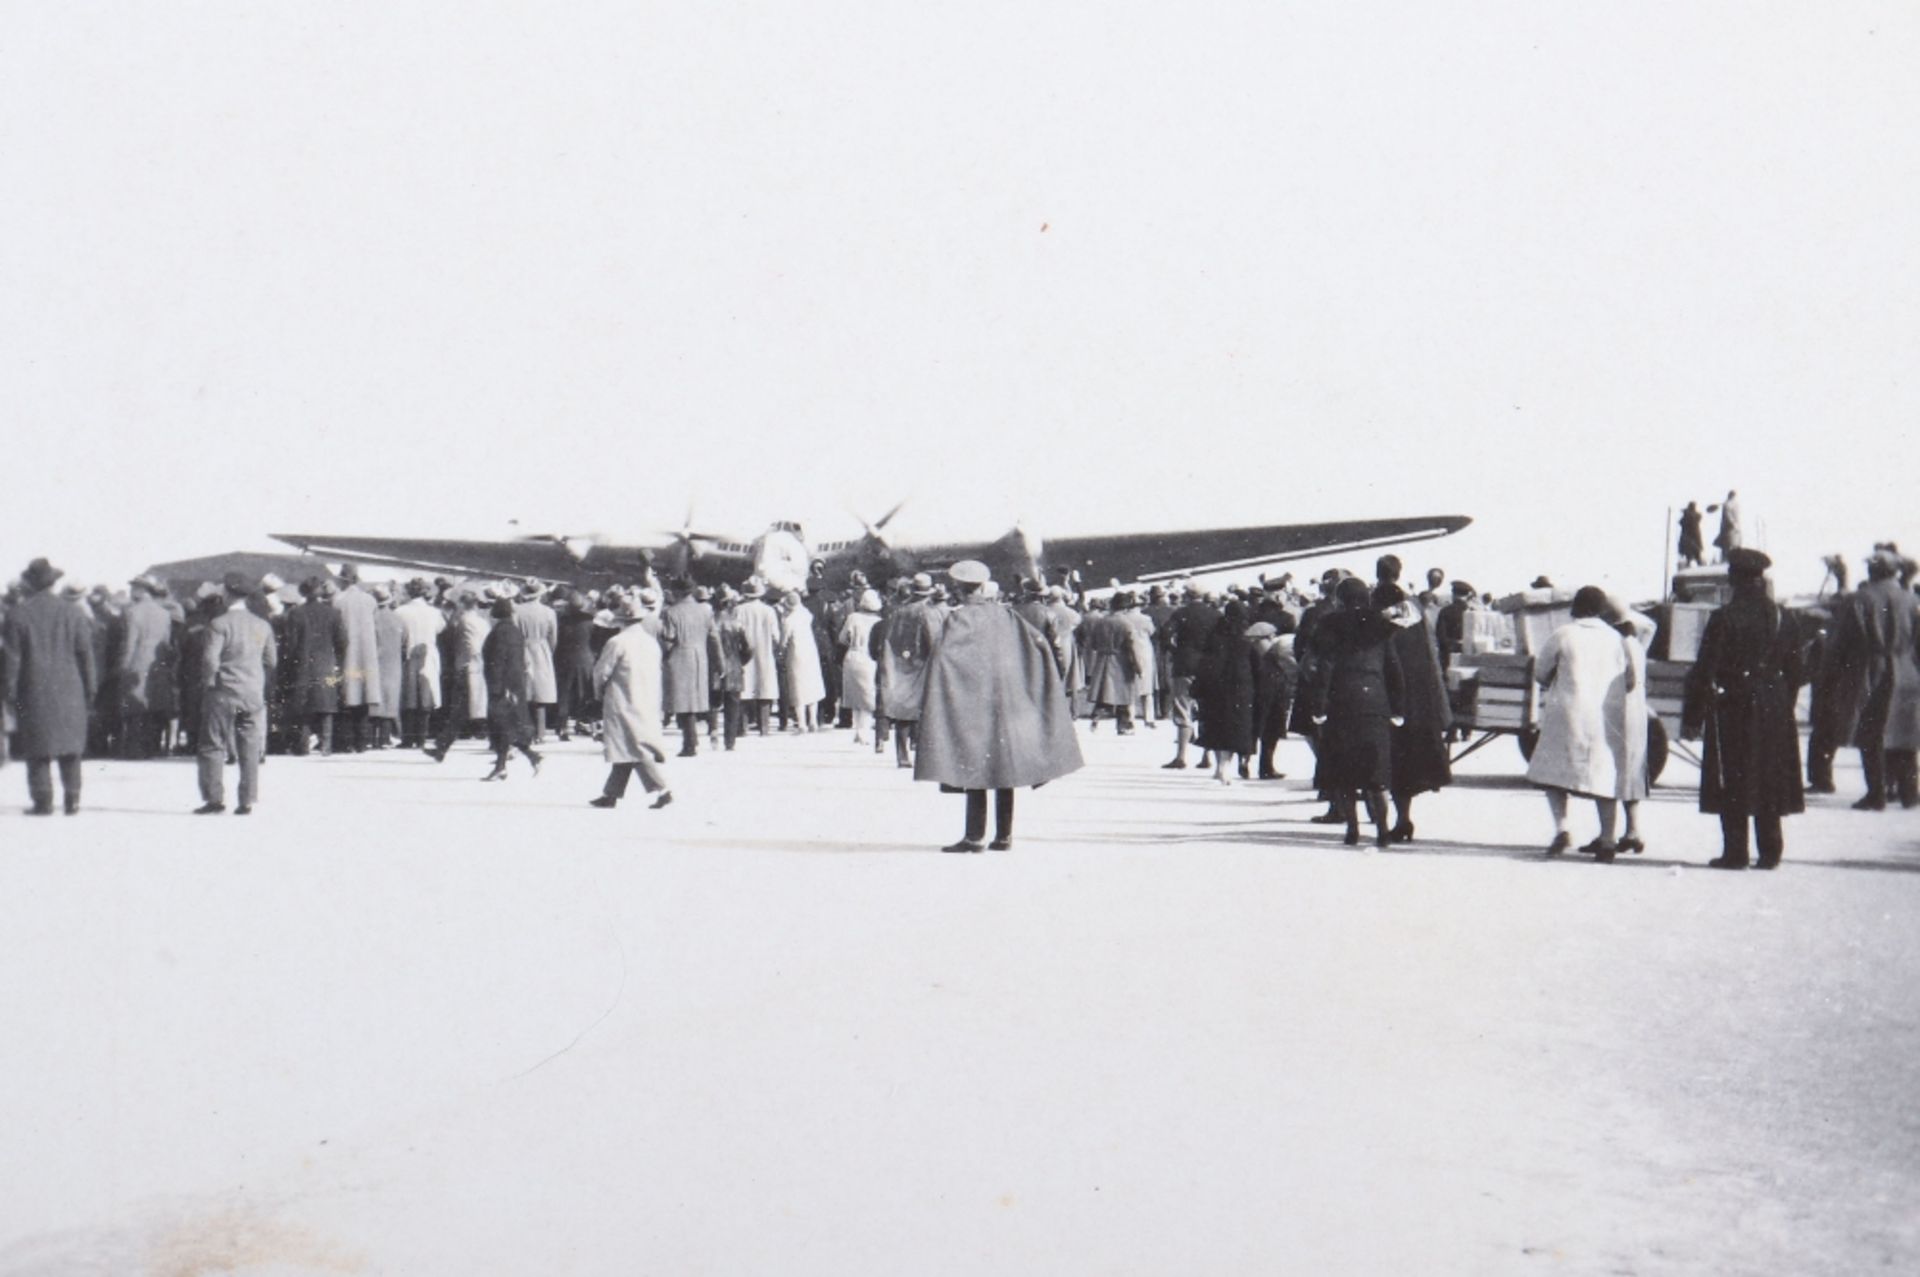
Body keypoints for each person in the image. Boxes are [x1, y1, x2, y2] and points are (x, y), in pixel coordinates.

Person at [914, 561, 1082, 852]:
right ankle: (1004, 836)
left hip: (973, 704)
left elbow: (943, 660)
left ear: (959, 589)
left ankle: (974, 837)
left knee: (975, 767)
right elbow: (1040, 645)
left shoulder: (958, 619)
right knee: (1006, 768)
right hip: (1006, 704)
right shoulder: (1008, 616)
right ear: (982, 586)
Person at [1682, 549, 1806, 869]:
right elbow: (1797, 670)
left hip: (1733, 703)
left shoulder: (1724, 618)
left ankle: (1735, 852)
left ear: (1735, 579)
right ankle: (1771, 851)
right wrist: (1783, 702)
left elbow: (1704, 670)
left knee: (1733, 774)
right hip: (1774, 703)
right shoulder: (1784, 616)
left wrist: (1693, 717)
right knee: (1769, 774)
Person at [1527, 586, 1639, 860]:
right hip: (1604, 715)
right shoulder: (1616, 639)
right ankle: (1608, 840)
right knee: (1604, 776)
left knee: (1552, 773)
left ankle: (1563, 828)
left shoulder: (1563, 634)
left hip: (1566, 712)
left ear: (1575, 607)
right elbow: (1630, 680)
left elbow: (1540, 674)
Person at [1309, 577, 1404, 847]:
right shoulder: (1382, 626)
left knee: (1345, 772)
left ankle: (1352, 829)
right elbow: (1393, 668)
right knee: (1376, 773)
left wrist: (1319, 706)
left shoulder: (1330, 624)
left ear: (1340, 599)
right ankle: (1383, 831)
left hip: (1342, 702)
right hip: (1375, 702)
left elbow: (1324, 667)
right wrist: (1398, 707)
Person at [1826, 547, 1920, 809]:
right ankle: (1910, 793)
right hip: (1907, 670)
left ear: (1872, 570)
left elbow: (1839, 644)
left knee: (1871, 733)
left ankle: (1876, 794)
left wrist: (1833, 675)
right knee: (1906, 732)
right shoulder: (1911, 600)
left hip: (1870, 671)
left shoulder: (1859, 599)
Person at [3, 557, 96, 815]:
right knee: (70, 750)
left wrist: (9, 694)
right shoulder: (73, 612)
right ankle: (73, 800)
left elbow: (12, 661)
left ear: (30, 584)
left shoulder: (17, 615)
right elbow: (86, 655)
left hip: (33, 690)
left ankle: (43, 802)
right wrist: (90, 688)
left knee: (37, 749)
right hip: (71, 690)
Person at [194, 572, 277, 815]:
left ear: (227, 594)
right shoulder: (263, 625)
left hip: (223, 691)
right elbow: (271, 660)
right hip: (252, 693)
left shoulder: (219, 624)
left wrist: (209, 683)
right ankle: (247, 800)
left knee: (212, 745)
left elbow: (210, 660)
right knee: (250, 746)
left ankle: (214, 799)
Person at [1375, 582, 1452, 842]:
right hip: (1422, 705)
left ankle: (1398, 821)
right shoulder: (1419, 622)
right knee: (1409, 766)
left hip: (1395, 704)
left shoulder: (1385, 628)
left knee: (1393, 766)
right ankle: (1402, 819)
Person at [589, 593, 673, 809]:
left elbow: (601, 672)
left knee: (633, 746)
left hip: (622, 698)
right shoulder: (651, 642)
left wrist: (597, 693)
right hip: (646, 697)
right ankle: (611, 794)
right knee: (626, 745)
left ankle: (662, 789)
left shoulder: (616, 642)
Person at [880, 574, 942, 768]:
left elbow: (890, 638)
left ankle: (902, 754)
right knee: (925, 709)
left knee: (902, 710)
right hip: (922, 665)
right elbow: (932, 640)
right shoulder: (928, 612)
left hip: (900, 663)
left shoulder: (900, 610)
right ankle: (923, 753)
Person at [480, 596, 542, 780]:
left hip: (502, 686)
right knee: (509, 725)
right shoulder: (515, 631)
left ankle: (507, 764)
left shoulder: (500, 632)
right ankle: (528, 758)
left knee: (502, 725)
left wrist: (498, 687)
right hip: (514, 684)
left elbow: (498, 661)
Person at [1194, 601, 1257, 782]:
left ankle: (1219, 766)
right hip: (1241, 688)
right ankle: (1226, 765)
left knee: (1216, 726)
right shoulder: (1246, 641)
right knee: (1235, 728)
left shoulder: (1214, 637)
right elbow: (1256, 667)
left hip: (1214, 687)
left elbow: (1205, 664)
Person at [115, 575, 177, 759]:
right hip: (157, 665)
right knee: (151, 706)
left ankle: (134, 750)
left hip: (137, 663)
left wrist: (123, 667)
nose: (131, 591)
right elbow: (166, 644)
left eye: (133, 588)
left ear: (141, 590)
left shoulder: (132, 612)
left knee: (134, 709)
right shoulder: (164, 613)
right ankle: (151, 747)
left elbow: (129, 644)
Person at [1161, 586, 1222, 769]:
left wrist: (1175, 650)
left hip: (1185, 664)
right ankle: (1206, 756)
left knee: (1183, 707)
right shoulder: (1216, 614)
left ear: (1187, 596)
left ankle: (1181, 756)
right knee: (1207, 709)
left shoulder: (1180, 613)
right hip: (1209, 665)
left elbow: (1165, 634)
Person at [284, 576, 347, 754]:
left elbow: (291, 644)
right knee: (327, 706)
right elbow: (342, 642)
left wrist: (290, 663)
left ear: (304, 592)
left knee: (305, 706)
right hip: (327, 664)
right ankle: (326, 745)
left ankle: (303, 745)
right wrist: (338, 662)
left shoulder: (296, 613)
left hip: (303, 664)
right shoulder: (333, 613)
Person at [659, 577, 718, 756]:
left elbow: (669, 638)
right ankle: (700, 736)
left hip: (680, 656)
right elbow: (714, 636)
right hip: (700, 656)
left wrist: (663, 652)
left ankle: (689, 743)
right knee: (695, 700)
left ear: (677, 592)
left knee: (682, 702)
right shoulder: (706, 610)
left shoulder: (671, 612)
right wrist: (719, 660)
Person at [331, 563, 383, 752]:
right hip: (367, 653)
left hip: (347, 651)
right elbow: (376, 629)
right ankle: (362, 741)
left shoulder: (338, 600)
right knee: (364, 696)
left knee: (347, 695)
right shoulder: (370, 600)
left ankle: (346, 742)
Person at [393, 578, 445, 748]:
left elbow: (398, 635)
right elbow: (440, 629)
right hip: (429, 655)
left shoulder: (400, 612)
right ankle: (422, 737)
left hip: (408, 654)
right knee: (426, 697)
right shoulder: (434, 612)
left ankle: (408, 738)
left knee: (409, 698)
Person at [1081, 596, 1140, 734]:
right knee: (1124, 695)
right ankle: (1124, 726)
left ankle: (1096, 716)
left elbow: (1093, 644)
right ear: (1125, 608)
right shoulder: (1127, 623)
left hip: (1103, 659)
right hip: (1121, 660)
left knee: (1103, 692)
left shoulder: (1101, 622)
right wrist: (1138, 665)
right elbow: (1132, 646)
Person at [1248, 614, 1297, 780]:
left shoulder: (1251, 654)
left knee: (1259, 730)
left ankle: (1249, 762)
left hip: (1261, 693)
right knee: (1271, 731)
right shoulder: (1279, 650)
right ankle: (1266, 767)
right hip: (1276, 693)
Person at [733, 579, 782, 735]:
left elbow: (735, 631)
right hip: (764, 652)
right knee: (764, 688)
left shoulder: (739, 610)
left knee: (745, 688)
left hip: (744, 654)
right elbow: (776, 636)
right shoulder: (769, 611)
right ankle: (764, 727)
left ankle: (742, 727)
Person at [514, 580, 559, 744]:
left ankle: (525, 730)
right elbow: (553, 637)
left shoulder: (517, 611)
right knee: (541, 692)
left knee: (524, 691)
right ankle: (540, 732)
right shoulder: (549, 612)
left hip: (523, 648)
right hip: (541, 647)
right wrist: (548, 651)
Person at [839, 589, 884, 746]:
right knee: (867, 696)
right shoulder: (878, 621)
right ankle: (863, 731)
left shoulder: (852, 618)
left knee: (854, 696)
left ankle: (858, 729)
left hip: (852, 656)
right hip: (869, 659)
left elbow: (842, 638)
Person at [553, 591, 598, 742]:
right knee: (584, 692)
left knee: (564, 694)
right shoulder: (590, 622)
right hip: (585, 659)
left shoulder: (561, 621)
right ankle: (583, 722)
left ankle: (562, 726)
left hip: (564, 659)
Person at [778, 590, 826, 732]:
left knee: (797, 687)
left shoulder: (788, 620)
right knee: (812, 686)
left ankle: (802, 723)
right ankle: (813, 720)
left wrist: (780, 650)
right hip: (810, 652)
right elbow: (802, 609)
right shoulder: (806, 615)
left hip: (796, 654)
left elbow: (783, 641)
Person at [369, 583, 405, 747]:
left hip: (376, 663)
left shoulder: (371, 618)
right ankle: (384, 738)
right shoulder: (398, 619)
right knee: (390, 701)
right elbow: (405, 641)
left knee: (374, 700)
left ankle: (371, 738)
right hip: (394, 664)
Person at [1708, 490, 1742, 561]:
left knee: (1730, 544)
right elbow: (1728, 516)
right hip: (1729, 528)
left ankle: (1729, 558)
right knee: (1728, 544)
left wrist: (1734, 525)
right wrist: (1733, 524)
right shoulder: (1728, 504)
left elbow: (1730, 516)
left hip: (1732, 528)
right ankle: (1726, 559)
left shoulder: (1730, 504)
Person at [1677, 501, 1706, 569]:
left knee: (1690, 554)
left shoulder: (1688, 515)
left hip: (1688, 537)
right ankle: (1698, 564)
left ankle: (1693, 563)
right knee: (1696, 554)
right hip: (1695, 537)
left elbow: (1681, 522)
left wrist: (1685, 512)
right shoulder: (1695, 515)